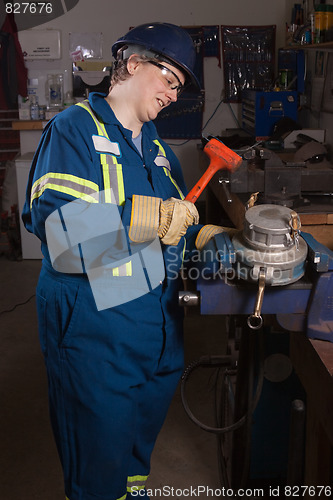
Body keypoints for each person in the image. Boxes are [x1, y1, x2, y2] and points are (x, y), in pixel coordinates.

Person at [22, 22, 226, 500]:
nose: (174, 95)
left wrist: (204, 236)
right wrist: (150, 217)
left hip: (155, 326)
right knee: (98, 464)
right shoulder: (73, 129)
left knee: (134, 459)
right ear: (134, 64)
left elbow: (174, 225)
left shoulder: (155, 148)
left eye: (179, 87)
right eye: (170, 80)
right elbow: (58, 237)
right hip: (96, 328)